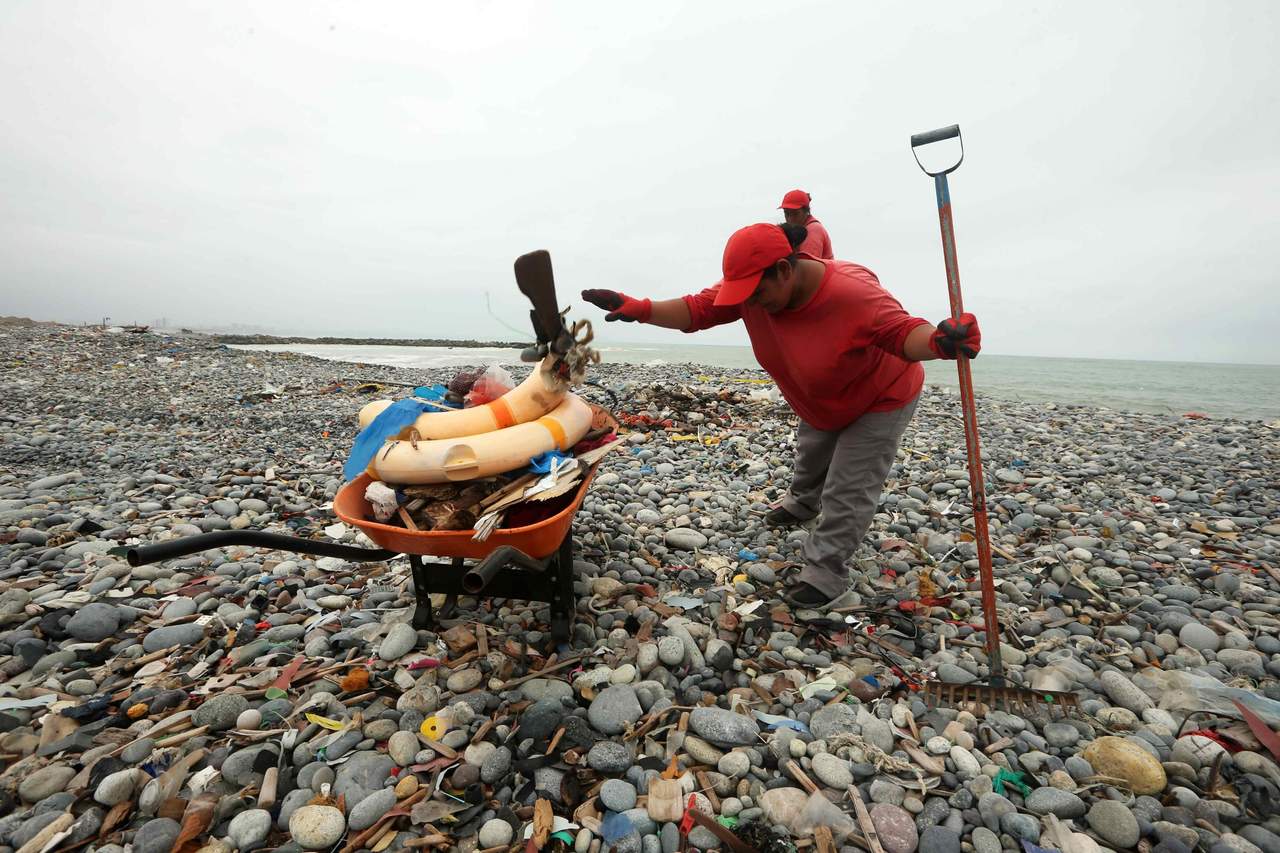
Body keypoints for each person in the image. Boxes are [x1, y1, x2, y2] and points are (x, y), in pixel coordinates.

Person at [581, 222, 981, 608]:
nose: (750, 303)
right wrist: (639, 308)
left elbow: (902, 333)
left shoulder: (852, 293)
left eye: (756, 293)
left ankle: (826, 575)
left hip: (880, 396)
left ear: (785, 269)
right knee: (812, 453)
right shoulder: (753, 288)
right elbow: (697, 310)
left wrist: (939, 341)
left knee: (848, 486)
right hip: (819, 398)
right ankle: (803, 504)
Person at [779, 189, 833, 259]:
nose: (790, 219)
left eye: (795, 214)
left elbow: (807, 265)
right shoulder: (795, 232)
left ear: (806, 211)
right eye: (787, 213)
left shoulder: (813, 230)